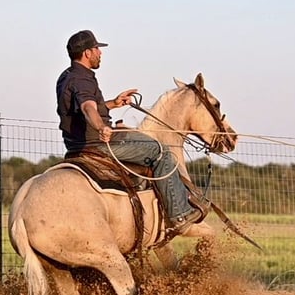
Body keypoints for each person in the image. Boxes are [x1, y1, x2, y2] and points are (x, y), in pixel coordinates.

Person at [56, 29, 202, 235]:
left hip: (75, 145)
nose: (100, 53)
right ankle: (179, 214)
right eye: (97, 48)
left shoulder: (67, 76)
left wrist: (113, 104)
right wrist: (101, 127)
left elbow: (81, 107)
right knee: (158, 151)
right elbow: (88, 107)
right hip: (97, 144)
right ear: (87, 53)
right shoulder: (83, 79)